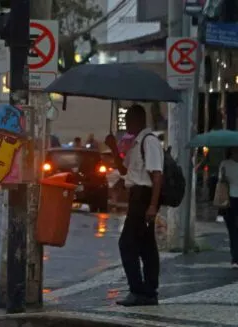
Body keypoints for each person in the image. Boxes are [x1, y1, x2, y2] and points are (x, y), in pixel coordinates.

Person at [104, 104, 163, 307]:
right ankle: (149, 291)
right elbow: (124, 169)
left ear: (138, 120)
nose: (127, 123)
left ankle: (138, 290)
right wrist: (113, 148)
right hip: (136, 196)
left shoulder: (150, 142)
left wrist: (153, 205)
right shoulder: (136, 144)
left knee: (127, 244)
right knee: (146, 246)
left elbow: (157, 175)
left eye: (129, 119)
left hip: (144, 197)